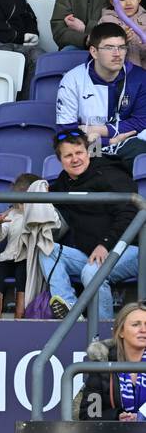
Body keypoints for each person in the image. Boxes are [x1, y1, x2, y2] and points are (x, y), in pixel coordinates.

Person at [45, 127, 140, 321]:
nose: (75, 159)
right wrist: (14, 209)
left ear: (88, 151)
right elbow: (42, 194)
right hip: (93, 254)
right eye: (68, 155)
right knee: (46, 249)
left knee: (91, 272)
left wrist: (105, 244)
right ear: (60, 160)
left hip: (131, 249)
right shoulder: (64, 182)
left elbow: (130, 212)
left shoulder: (110, 173)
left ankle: (102, 333)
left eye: (79, 152)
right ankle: (71, 310)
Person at [55, 24, 146, 159]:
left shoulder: (140, 77)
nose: (117, 54)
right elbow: (67, 132)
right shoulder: (72, 80)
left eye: (121, 47)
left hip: (130, 146)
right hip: (91, 150)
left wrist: (97, 130)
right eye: (109, 48)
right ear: (94, 52)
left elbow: (141, 122)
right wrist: (108, 141)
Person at [0, 172, 43, 321]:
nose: (22, 204)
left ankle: (20, 316)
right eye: (19, 199)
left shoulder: (42, 213)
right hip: (9, 258)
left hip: (27, 260)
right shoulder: (11, 213)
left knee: (23, 274)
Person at [78, 303, 146, 421]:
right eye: (136, 325)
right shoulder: (103, 364)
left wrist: (142, 417)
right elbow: (89, 414)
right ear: (120, 332)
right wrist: (116, 417)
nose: (143, 330)